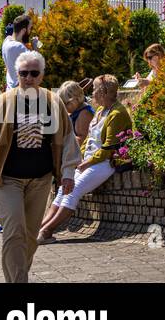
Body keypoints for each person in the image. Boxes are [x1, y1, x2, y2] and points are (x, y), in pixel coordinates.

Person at [0, 50, 80, 282]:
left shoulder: (53, 102)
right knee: (14, 231)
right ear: (17, 74)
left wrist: (67, 174)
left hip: (41, 179)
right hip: (6, 180)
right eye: (23, 73)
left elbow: (68, 141)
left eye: (33, 73)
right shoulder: (2, 102)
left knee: (29, 236)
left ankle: (18, 275)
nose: (28, 77)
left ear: (42, 76)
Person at [37, 76, 130, 244]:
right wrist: (77, 157)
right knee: (64, 188)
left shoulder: (117, 113)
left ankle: (47, 231)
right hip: (89, 160)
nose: (92, 93)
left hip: (105, 163)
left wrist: (87, 162)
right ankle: (40, 227)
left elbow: (109, 148)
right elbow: (89, 140)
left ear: (103, 92)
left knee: (74, 190)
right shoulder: (101, 111)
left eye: (94, 89)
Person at [57, 81, 94, 148]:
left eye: (66, 103)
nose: (64, 107)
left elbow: (83, 140)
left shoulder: (84, 114)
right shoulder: (76, 110)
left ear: (76, 99)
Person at [1, 14, 32, 90]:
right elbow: (37, 65)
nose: (30, 31)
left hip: (9, 89)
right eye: (30, 28)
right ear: (24, 31)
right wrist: (35, 47)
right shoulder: (19, 47)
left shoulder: (6, 41)